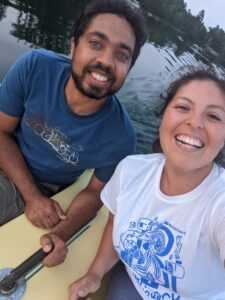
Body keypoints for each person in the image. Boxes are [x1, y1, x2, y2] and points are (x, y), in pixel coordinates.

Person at [0, 0, 147, 266]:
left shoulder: (121, 138)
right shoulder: (35, 68)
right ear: (73, 46)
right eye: (95, 43)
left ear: (128, 69)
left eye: (122, 55)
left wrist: (60, 234)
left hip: (42, 183)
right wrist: (32, 196)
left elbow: (94, 193)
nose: (105, 61)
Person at [68, 69, 225, 300]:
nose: (195, 122)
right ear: (163, 116)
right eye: (182, 107)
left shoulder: (219, 202)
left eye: (214, 117)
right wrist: (95, 274)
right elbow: (114, 220)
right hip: (132, 282)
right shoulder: (131, 170)